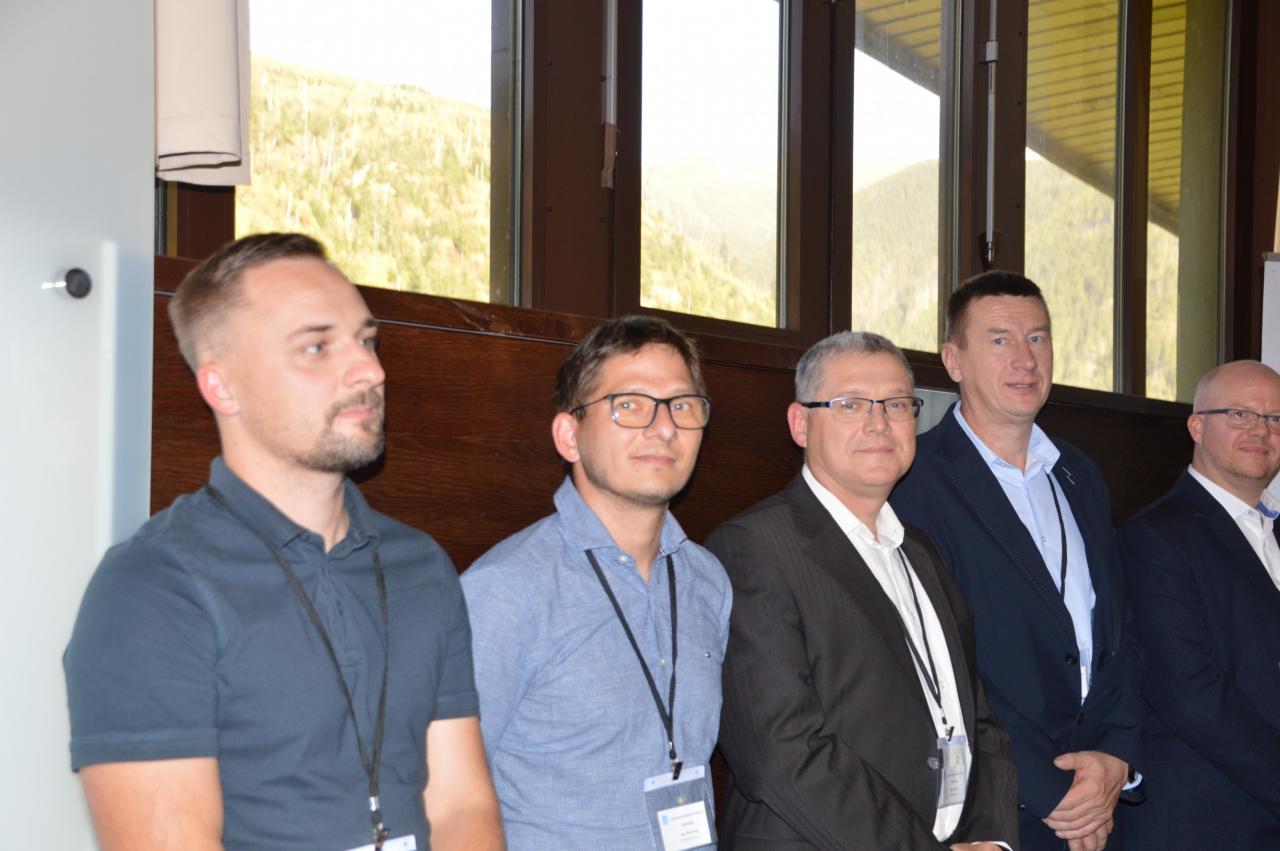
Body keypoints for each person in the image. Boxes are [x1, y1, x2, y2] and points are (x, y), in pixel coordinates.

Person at [64, 233, 504, 851]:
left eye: (367, 341)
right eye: (317, 346)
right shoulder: (152, 587)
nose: (371, 371)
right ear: (222, 388)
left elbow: (460, 805)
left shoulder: (420, 565)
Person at [707, 331, 1018, 850]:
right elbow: (779, 752)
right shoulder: (751, 549)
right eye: (850, 404)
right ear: (800, 423)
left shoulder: (919, 550)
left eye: (896, 404)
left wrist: (994, 838)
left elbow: (978, 719)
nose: (879, 423)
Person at [892, 271, 1143, 851]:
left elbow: (1119, 633)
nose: (1025, 359)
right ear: (953, 360)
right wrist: (1052, 792)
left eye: (1038, 338)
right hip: (997, 814)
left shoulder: (1079, 473)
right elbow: (933, 665)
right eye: (1000, 339)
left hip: (1101, 803)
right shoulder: (914, 481)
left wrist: (1116, 758)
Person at [461, 316, 731, 850]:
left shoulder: (707, 580)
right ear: (570, 436)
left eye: (682, 405)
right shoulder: (504, 590)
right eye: (629, 404)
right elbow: (441, 795)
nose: (664, 428)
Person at [1119, 360, 1280, 847]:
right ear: (1197, 427)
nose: (1261, 430)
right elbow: (1191, 695)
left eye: (1275, 418)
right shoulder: (1155, 537)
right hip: (1204, 822)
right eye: (1239, 414)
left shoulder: (1273, 531)